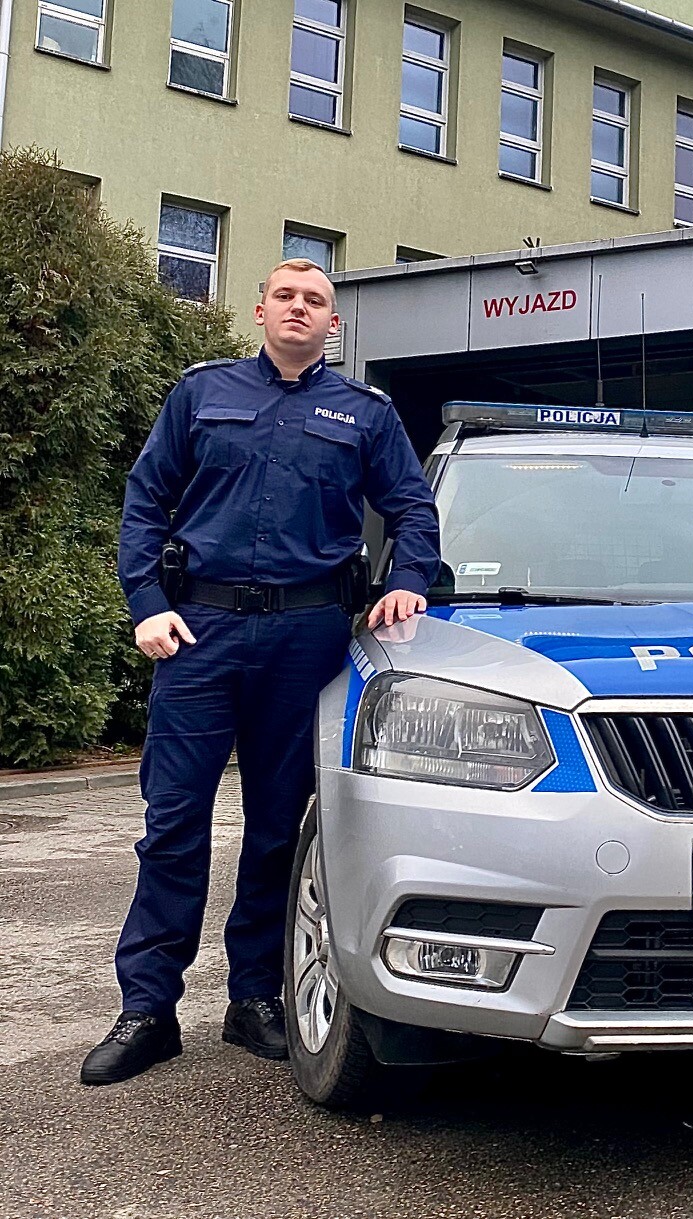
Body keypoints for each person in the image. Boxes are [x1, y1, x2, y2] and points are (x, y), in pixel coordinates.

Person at [80, 258, 441, 1086]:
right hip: (198, 634)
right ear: (260, 311)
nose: (298, 308)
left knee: (279, 827)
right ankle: (147, 1009)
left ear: (332, 325)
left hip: (305, 637)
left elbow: (411, 507)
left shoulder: (366, 413)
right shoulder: (200, 393)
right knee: (173, 823)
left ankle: (253, 998)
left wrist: (408, 581)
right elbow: (144, 501)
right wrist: (145, 603)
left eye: (315, 300)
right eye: (285, 295)